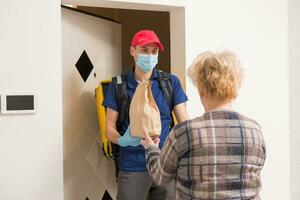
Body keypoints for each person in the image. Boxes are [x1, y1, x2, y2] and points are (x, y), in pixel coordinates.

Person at [141, 50, 266, 199]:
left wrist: (151, 149)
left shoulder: (184, 133)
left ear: (201, 88)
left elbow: (160, 176)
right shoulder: (255, 131)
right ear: (235, 87)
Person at [102, 29, 189, 200]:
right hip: (133, 165)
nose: (150, 56)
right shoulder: (119, 85)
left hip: (166, 164)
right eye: (144, 50)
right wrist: (121, 140)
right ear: (132, 51)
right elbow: (109, 129)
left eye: (154, 52)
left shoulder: (170, 82)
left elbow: (185, 124)